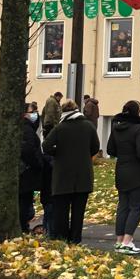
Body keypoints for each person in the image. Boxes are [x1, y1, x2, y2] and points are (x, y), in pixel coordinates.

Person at [42, 99, 100, 244]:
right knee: (78, 211)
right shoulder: (88, 126)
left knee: (61, 210)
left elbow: (46, 146)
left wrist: (58, 153)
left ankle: (63, 238)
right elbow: (95, 147)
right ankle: (75, 239)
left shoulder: (60, 128)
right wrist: (85, 154)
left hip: (62, 175)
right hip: (83, 175)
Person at [107, 100, 140, 254]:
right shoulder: (137, 128)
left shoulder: (116, 126)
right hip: (136, 172)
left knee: (123, 206)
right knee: (136, 207)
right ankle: (127, 241)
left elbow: (110, 149)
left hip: (121, 170)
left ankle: (119, 241)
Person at [19, 108, 43, 232]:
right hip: (26, 172)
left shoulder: (24, 128)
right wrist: (38, 164)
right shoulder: (27, 130)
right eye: (31, 111)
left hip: (24, 171)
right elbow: (28, 151)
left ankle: (23, 225)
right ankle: (23, 226)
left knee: (24, 201)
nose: (34, 114)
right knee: (25, 201)